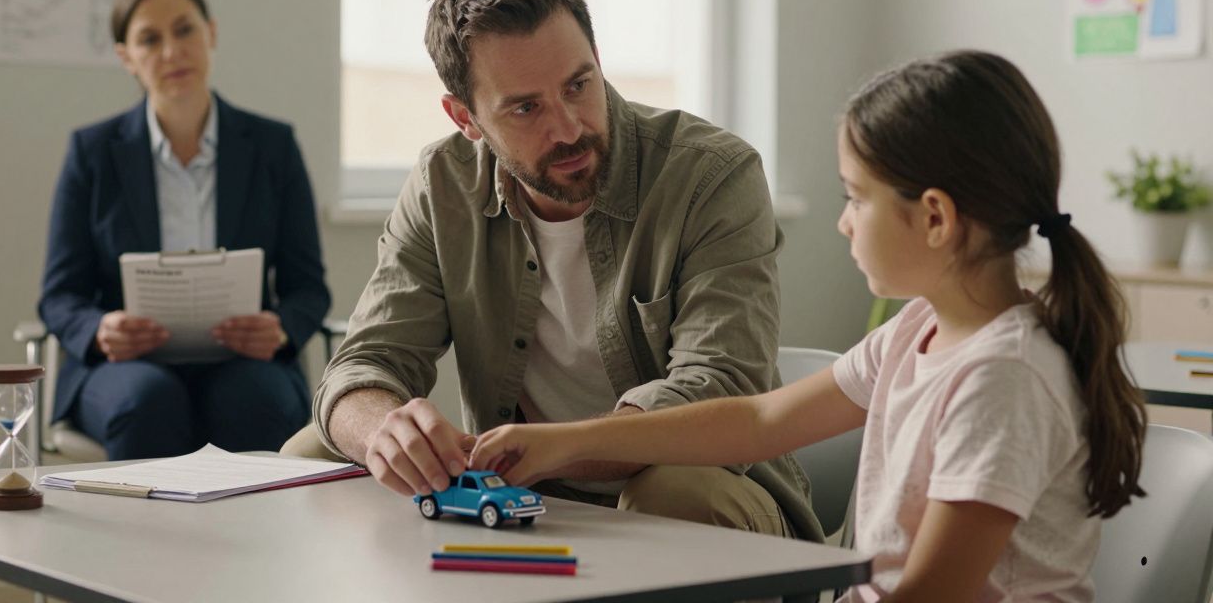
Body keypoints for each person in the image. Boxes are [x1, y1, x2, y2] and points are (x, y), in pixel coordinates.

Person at [471, 50, 1148, 601]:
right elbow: (760, 421)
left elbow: (930, 596)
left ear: (935, 218)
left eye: (856, 198)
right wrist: (558, 444)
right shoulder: (915, 332)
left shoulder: (1001, 379)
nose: (844, 221)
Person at [305, 0, 819, 541]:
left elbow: (721, 388)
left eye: (579, 85)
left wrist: (553, 450)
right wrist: (382, 433)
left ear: (599, 62)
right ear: (465, 117)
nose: (570, 127)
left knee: (673, 491)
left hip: (704, 489)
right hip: (524, 493)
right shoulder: (441, 184)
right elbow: (365, 361)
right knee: (312, 452)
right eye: (526, 108)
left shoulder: (712, 175)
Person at [38, 0, 331, 461]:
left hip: (246, 362)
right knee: (148, 400)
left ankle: (256, 541)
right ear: (126, 57)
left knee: (256, 400)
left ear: (211, 32)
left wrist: (280, 327)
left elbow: (308, 287)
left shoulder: (273, 147)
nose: (172, 51)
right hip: (124, 370)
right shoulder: (92, 153)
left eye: (185, 30)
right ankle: (142, 542)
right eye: (150, 39)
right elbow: (59, 294)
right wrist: (99, 329)